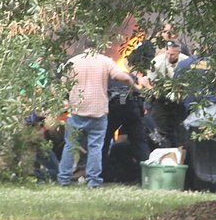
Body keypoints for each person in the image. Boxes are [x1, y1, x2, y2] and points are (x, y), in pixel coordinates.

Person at [57, 38, 140, 189]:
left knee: (71, 145)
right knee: (95, 147)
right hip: (98, 111)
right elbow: (121, 77)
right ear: (99, 46)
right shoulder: (105, 61)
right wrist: (134, 86)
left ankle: (64, 178)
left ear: (84, 46)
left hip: (77, 110)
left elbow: (64, 84)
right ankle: (93, 181)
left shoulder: (73, 61)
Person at [147, 40, 189, 147]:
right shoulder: (157, 62)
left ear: (179, 52)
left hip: (179, 99)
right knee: (159, 128)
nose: (169, 56)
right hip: (160, 98)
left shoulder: (186, 62)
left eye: (173, 54)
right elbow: (149, 81)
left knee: (181, 131)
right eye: (168, 53)